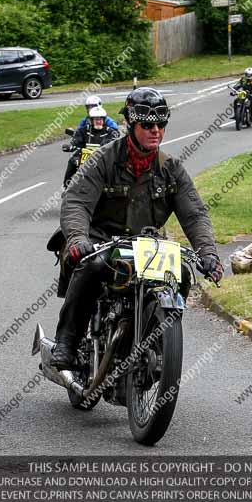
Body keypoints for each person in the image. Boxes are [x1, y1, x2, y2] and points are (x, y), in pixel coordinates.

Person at [50, 87, 224, 370]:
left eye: (161, 124)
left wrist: (208, 253)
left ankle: (157, 338)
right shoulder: (105, 159)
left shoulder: (171, 168)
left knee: (179, 273)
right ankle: (68, 341)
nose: (155, 130)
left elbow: (195, 215)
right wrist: (78, 238)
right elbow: (76, 201)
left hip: (145, 243)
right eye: (147, 124)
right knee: (94, 266)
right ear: (132, 124)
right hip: (100, 238)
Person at [63, 106, 120, 188]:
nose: (98, 121)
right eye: (96, 119)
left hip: (104, 159)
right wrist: (71, 146)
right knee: (72, 161)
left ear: (104, 120)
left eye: (100, 119)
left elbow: (114, 141)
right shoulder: (83, 130)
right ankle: (66, 187)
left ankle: (115, 188)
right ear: (91, 120)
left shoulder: (110, 132)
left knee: (116, 165)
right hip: (84, 160)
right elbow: (76, 140)